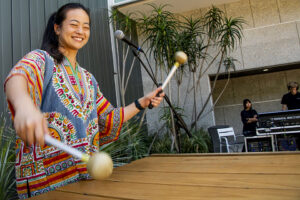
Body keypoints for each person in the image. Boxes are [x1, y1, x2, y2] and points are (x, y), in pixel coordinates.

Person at [4, 3, 164, 199]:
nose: (81, 31)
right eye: (74, 24)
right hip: (46, 182)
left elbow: (108, 118)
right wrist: (24, 107)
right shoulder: (41, 59)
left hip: (84, 178)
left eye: (86, 26)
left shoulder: (88, 78)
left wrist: (143, 102)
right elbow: (18, 77)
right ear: (57, 28)